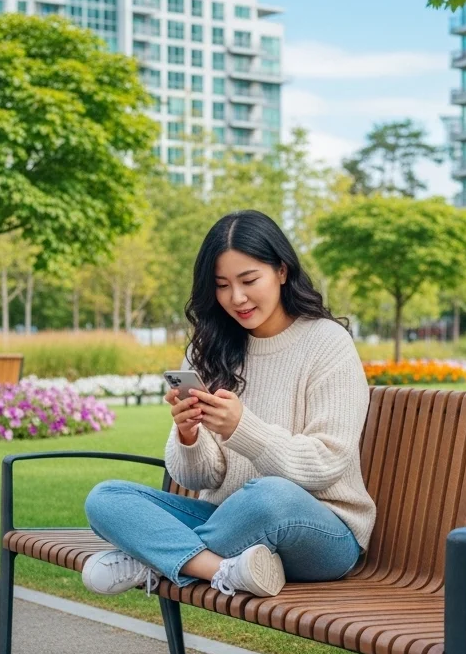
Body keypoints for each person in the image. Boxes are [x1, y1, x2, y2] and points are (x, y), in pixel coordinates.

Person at [81, 210, 375, 598]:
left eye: (249, 280)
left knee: (269, 495)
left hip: (319, 530)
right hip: (230, 522)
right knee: (107, 498)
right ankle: (221, 569)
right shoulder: (209, 349)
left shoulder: (326, 342)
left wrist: (242, 429)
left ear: (282, 271)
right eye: (222, 285)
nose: (237, 298)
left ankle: (153, 560)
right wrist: (188, 436)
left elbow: (326, 463)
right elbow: (200, 479)